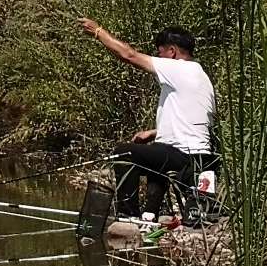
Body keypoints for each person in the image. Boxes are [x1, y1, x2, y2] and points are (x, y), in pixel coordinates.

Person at [77, 20, 214, 222]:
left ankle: (128, 216)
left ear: (172, 51)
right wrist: (152, 133)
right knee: (156, 150)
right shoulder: (201, 76)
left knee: (124, 152)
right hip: (197, 158)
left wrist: (98, 32)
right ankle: (149, 216)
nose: (158, 57)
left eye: (160, 53)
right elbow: (190, 123)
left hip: (184, 156)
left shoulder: (178, 68)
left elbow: (129, 55)